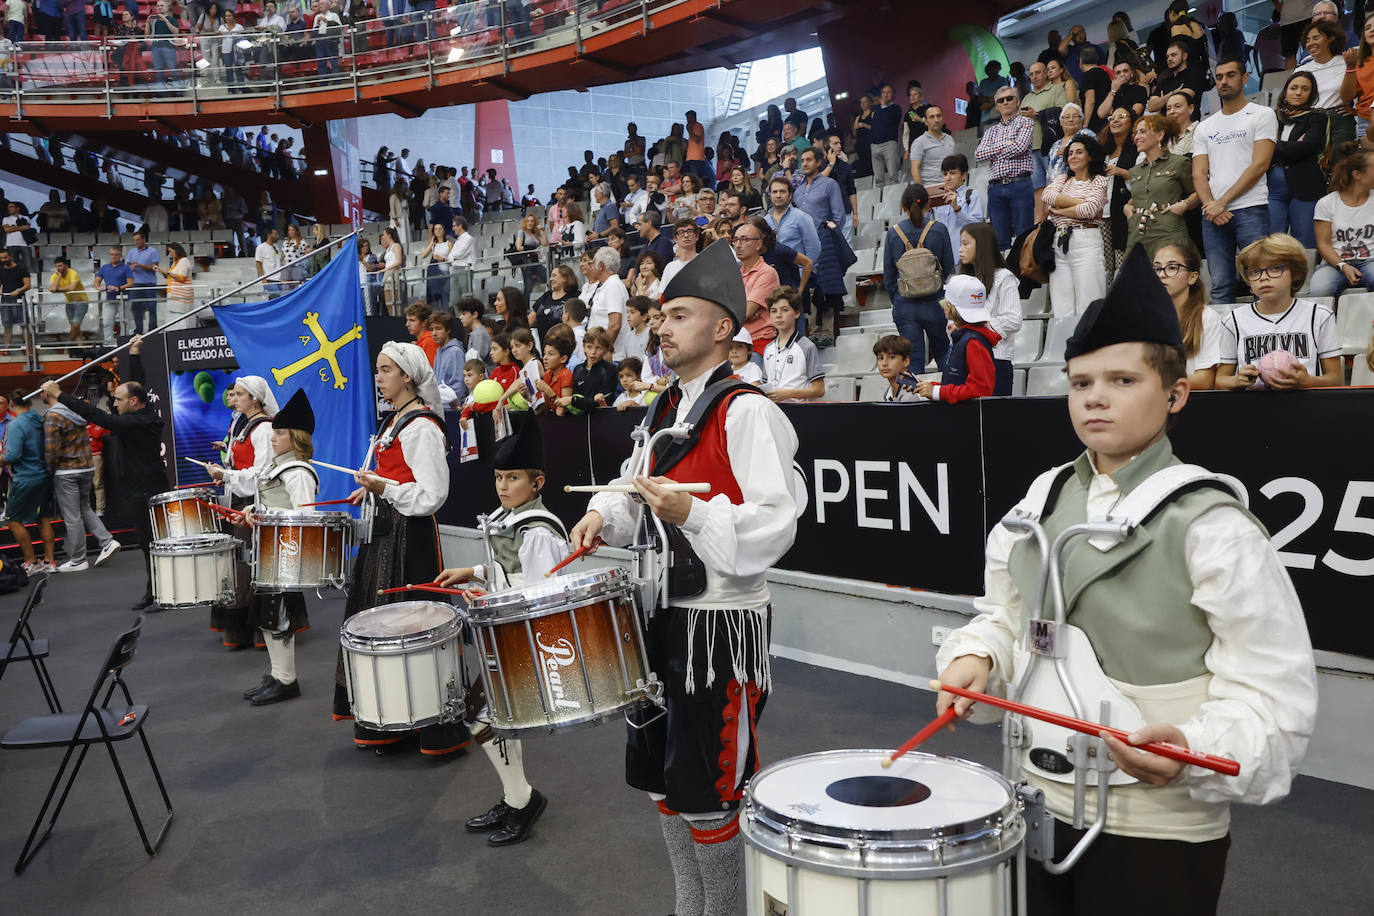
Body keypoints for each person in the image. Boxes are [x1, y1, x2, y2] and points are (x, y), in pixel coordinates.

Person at [933, 244, 1317, 916]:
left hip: (1157, 828)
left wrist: (1194, 747)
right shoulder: (1041, 498)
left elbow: (1274, 698)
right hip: (1031, 803)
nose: (1095, 400)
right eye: (1081, 384)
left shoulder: (1213, 525)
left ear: (1176, 394)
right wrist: (978, 656)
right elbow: (1006, 615)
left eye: (1122, 381)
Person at [569, 239, 799, 916]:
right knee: (662, 782)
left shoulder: (749, 410)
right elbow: (630, 490)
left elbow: (779, 521)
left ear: (722, 328)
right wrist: (600, 515)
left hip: (719, 629)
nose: (660, 326)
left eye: (677, 314)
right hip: (658, 619)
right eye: (659, 316)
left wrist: (695, 511)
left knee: (711, 791)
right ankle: (688, 905)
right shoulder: (662, 409)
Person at [435, 413, 567, 844]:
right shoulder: (510, 519)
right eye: (498, 477)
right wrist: (472, 572)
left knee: (486, 718)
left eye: (513, 478)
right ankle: (518, 798)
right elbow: (505, 571)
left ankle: (521, 799)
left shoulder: (539, 531)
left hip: (525, 641)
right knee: (484, 718)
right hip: (504, 634)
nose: (503, 485)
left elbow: (540, 595)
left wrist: (487, 598)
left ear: (538, 482)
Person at [334, 342, 471, 757]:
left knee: (413, 625)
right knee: (382, 625)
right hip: (385, 532)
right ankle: (390, 718)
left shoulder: (422, 427)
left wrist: (385, 488)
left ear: (407, 376)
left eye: (386, 370)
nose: (379, 377)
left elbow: (433, 495)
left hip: (411, 541)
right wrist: (373, 492)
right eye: (378, 370)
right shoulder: (395, 421)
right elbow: (394, 477)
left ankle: (432, 722)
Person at [44, 336, 167, 608]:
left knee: (151, 545)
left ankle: (158, 593)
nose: (114, 401)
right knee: (149, 546)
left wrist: (59, 395)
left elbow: (96, 416)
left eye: (120, 399)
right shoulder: (139, 411)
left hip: (147, 491)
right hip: (142, 488)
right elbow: (139, 385)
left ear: (133, 402)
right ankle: (153, 592)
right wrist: (134, 354)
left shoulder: (136, 422)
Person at [212, 390, 317, 705]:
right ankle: (277, 674)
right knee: (268, 617)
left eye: (281, 433)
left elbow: (305, 518)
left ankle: (287, 679)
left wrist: (264, 517)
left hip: (284, 554)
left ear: (295, 438)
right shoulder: (279, 469)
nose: (273, 437)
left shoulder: (298, 472)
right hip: (268, 551)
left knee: (278, 616)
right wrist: (253, 516)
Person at [1193, 56, 1278, 303]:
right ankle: (1225, 341)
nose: (1224, 81)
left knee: (1261, 280)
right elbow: (1198, 173)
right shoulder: (1205, 126)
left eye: (1230, 75)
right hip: (1212, 216)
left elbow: (1260, 164)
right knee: (1220, 286)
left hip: (1250, 207)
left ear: (1244, 78)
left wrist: (1222, 202)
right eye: (1219, 77)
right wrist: (1211, 205)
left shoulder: (1261, 115)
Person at [1217, 234, 1343, 390]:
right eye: (1255, 272)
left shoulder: (1319, 316)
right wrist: (1236, 381)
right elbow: (1220, 380)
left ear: (1295, 273)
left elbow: (1336, 378)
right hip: (1253, 408)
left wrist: (1307, 381)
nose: (1264, 277)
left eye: (1275, 268)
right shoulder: (1233, 320)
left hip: (1305, 408)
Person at [40, 380, 120, 573]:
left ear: (47, 393)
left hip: (65, 471)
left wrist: (48, 471)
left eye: (41, 391)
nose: (40, 395)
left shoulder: (52, 416)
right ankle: (107, 541)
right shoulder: (75, 412)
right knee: (84, 508)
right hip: (86, 467)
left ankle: (78, 559)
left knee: (72, 516)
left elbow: (51, 451)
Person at [884, 183, 955, 372]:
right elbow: (948, 270)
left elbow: (889, 276)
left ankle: (916, 400)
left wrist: (899, 299)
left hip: (905, 306)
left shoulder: (893, 233)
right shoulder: (939, 229)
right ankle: (948, 396)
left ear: (903, 206)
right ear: (928, 204)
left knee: (912, 359)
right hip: (935, 303)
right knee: (942, 352)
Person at [1044, 136, 1110, 319]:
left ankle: (1090, 347)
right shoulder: (1062, 178)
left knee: (1089, 304)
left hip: (1086, 241)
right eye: (1070, 153)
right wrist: (1078, 204)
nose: (1073, 156)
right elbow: (1047, 196)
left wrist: (1059, 209)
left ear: (1090, 156)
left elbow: (1089, 210)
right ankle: (1063, 347)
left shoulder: (1099, 180)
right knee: (1061, 308)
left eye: (1079, 152)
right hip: (1059, 242)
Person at [915, 275, 1002, 403]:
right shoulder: (966, 338)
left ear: (950, 307)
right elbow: (958, 381)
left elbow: (980, 391)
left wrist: (936, 391)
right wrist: (929, 387)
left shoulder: (973, 342)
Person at [957, 223, 1020, 394]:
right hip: (965, 360)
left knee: (995, 419)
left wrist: (978, 329)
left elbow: (1013, 320)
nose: (960, 249)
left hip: (996, 360)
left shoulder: (1004, 278)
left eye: (966, 243)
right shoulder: (962, 280)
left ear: (982, 244)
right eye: (960, 244)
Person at [1268, 71, 1328, 249]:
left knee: (1305, 243)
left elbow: (1309, 147)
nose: (1298, 92)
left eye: (1305, 88)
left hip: (1306, 185)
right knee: (1273, 243)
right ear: (1285, 91)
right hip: (1272, 189)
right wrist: (1293, 146)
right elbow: (1258, 148)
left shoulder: (1318, 116)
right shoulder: (1271, 117)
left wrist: (1274, 146)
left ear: (1312, 93)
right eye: (1293, 88)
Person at [1153, 242, 1222, 389]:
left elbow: (1205, 380)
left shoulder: (1207, 317)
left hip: (1192, 403)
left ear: (1192, 277)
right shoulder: (1145, 317)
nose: (1162, 274)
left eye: (1172, 267)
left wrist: (1153, 382)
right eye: (1157, 268)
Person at [1126, 114, 1197, 255]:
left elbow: (1199, 192)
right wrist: (1127, 207)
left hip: (1169, 234)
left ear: (1160, 135)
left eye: (1143, 131)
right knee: (1136, 275)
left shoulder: (1179, 163)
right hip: (1138, 236)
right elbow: (1140, 196)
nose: (1137, 137)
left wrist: (1185, 204)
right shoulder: (1134, 171)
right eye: (1136, 133)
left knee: (1171, 274)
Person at [3, 390, 57, 574]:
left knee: (12, 520)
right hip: (42, 475)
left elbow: (13, 454)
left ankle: (31, 562)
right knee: (43, 519)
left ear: (11, 404)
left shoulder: (16, 424)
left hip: (25, 478)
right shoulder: (40, 420)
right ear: (30, 403)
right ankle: (50, 562)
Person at [976, 84, 1036, 250]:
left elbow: (1020, 147)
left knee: (1023, 237)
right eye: (1001, 100)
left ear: (1017, 102)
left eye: (1010, 98)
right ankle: (1005, 275)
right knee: (999, 241)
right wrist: (1005, 144)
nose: (1005, 102)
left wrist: (994, 150)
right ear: (996, 106)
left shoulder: (1026, 122)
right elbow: (979, 155)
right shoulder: (990, 131)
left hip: (1020, 184)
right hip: (995, 188)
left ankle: (1024, 276)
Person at [1312, 143, 1374, 297]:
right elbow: (1323, 244)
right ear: (1357, 174)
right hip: (1334, 264)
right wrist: (1343, 266)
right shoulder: (1326, 203)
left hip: (1371, 261)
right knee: (1320, 289)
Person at [1296, 17, 1353, 153]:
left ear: (1331, 38)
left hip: (1340, 121)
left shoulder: (1346, 62)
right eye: (1308, 40)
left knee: (1342, 166)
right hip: (1310, 121)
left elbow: (1363, 91)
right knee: (1312, 168)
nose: (1310, 43)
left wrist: (1355, 110)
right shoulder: (1301, 70)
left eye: (1316, 38)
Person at [762, 286, 825, 403]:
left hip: (799, 413)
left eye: (785, 310)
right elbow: (765, 385)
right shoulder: (768, 349)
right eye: (774, 311)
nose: (778, 315)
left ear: (796, 314)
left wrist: (788, 394)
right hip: (773, 412)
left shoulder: (807, 346)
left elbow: (819, 390)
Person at [554, 325, 616, 414]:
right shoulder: (578, 369)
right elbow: (574, 398)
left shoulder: (610, 370)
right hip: (578, 421)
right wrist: (564, 408)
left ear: (606, 350)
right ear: (584, 347)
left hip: (600, 420)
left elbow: (603, 401)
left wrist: (573, 401)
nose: (593, 352)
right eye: (589, 347)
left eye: (598, 348)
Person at [933, 154, 987, 252]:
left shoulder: (973, 195)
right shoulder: (938, 199)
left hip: (965, 255)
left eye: (953, 173)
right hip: (941, 255)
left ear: (964, 175)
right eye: (945, 174)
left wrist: (957, 209)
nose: (948, 178)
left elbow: (977, 228)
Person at [584, 247, 628, 359]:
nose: (590, 267)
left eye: (592, 263)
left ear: (601, 266)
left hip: (612, 357)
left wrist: (604, 351)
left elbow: (614, 325)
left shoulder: (613, 285)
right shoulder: (606, 285)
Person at [47, 255, 90, 348]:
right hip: (69, 302)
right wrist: (58, 277)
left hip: (81, 301)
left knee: (75, 325)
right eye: (56, 266)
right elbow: (52, 288)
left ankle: (68, 345)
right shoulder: (54, 276)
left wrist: (58, 289)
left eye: (60, 266)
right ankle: (81, 346)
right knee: (75, 327)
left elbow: (72, 288)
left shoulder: (73, 273)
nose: (58, 268)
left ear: (66, 266)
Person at [909, 104, 957, 187]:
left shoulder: (950, 139)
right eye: (932, 117)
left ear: (943, 119)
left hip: (950, 187)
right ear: (926, 122)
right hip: (930, 188)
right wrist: (921, 193)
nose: (936, 120)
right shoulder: (919, 142)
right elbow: (914, 169)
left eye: (939, 116)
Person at [870, 82, 904, 185]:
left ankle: (896, 198)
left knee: (893, 175)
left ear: (893, 95)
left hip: (889, 144)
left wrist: (884, 105)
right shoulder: (877, 109)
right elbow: (875, 125)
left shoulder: (896, 108)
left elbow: (887, 120)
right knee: (878, 178)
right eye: (883, 92)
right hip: (875, 145)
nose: (885, 95)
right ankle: (880, 199)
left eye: (888, 92)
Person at [872, 334, 922, 402]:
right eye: (880, 358)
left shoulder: (911, 392)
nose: (884, 363)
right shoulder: (889, 392)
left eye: (892, 357)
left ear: (906, 361)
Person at [126, 231, 159, 333]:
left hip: (149, 284)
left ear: (144, 239)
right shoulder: (131, 252)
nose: (136, 242)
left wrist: (140, 266)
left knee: (152, 308)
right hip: (136, 284)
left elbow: (154, 267)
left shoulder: (153, 251)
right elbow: (127, 266)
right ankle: (138, 330)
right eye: (135, 240)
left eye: (138, 240)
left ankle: (153, 330)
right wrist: (130, 268)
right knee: (136, 308)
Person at [420, 223, 452, 306]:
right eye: (436, 229)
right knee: (436, 298)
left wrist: (441, 258)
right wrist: (431, 243)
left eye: (440, 229)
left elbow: (453, 259)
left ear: (443, 231)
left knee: (445, 297)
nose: (438, 231)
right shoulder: (434, 245)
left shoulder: (448, 244)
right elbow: (423, 255)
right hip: (435, 273)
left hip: (445, 272)